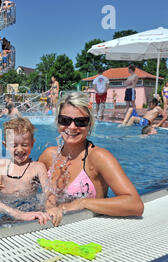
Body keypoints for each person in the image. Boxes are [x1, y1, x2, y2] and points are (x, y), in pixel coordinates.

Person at [38, 92, 144, 225]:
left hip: (90, 230)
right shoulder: (49, 156)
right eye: (65, 120)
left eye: (81, 121)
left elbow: (135, 205)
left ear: (90, 125)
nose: (72, 127)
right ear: (58, 122)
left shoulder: (98, 158)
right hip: (52, 228)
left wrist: (83, 203)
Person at [0, 117, 50, 224]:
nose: (20, 149)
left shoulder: (38, 167)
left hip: (29, 208)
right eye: (14, 145)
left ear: (32, 143)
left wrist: (49, 207)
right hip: (6, 210)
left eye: (25, 145)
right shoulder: (1, 165)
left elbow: (48, 192)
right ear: (6, 145)